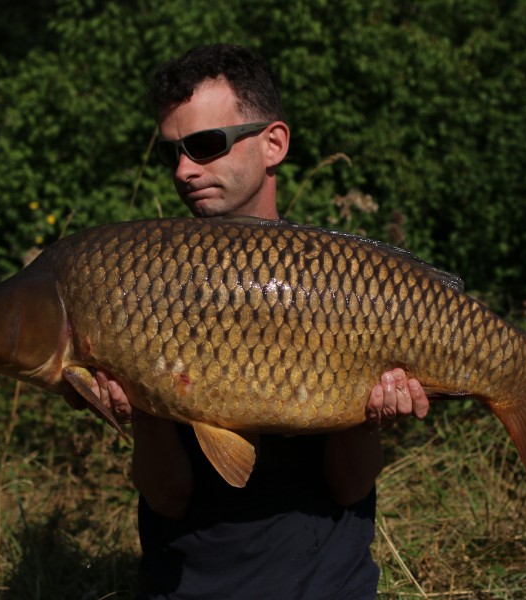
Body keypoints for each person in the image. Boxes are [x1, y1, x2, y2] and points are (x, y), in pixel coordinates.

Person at [92, 44, 430, 599]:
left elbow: (348, 487)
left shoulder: (341, 283)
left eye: (204, 145)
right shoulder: (148, 286)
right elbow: (168, 498)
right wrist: (146, 405)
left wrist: (370, 417)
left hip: (326, 585)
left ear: (273, 143)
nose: (183, 169)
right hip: (182, 586)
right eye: (171, 152)